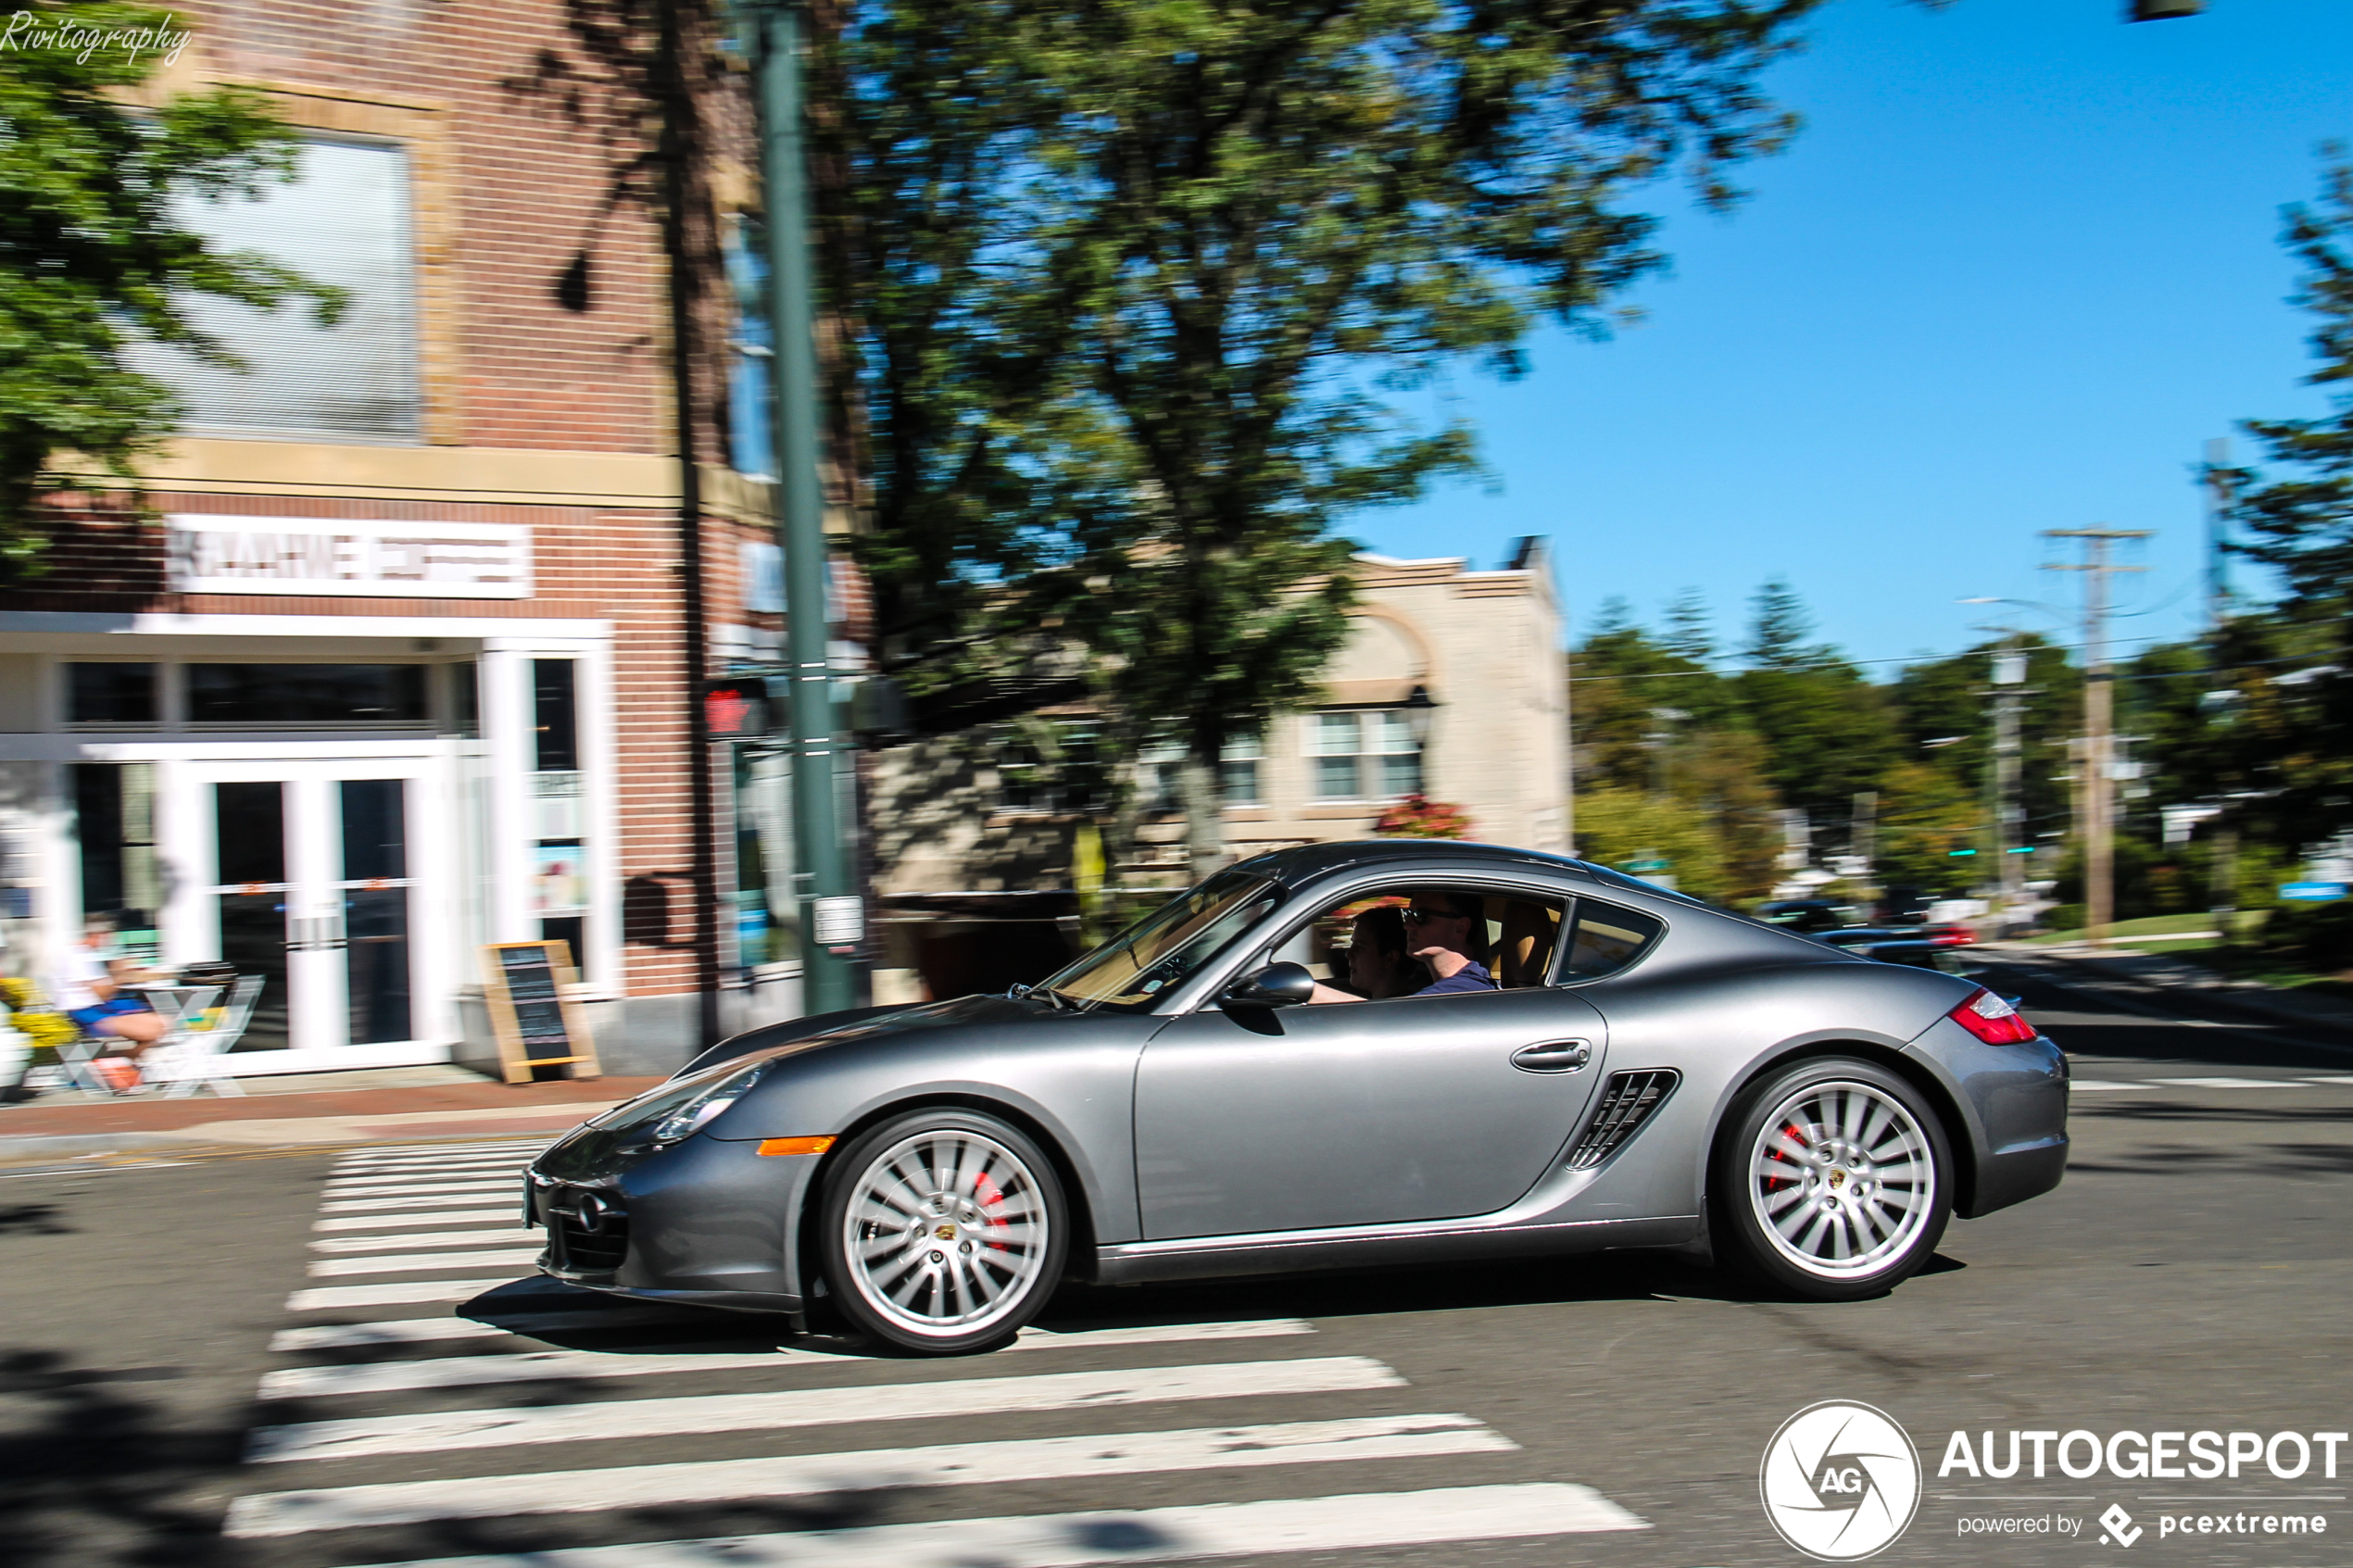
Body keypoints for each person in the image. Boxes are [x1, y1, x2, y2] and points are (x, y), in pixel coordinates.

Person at [1311, 889, 1495, 1002]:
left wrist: (1309, 992)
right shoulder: (1449, 986)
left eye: (1420, 917)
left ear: (1460, 928)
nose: (1408, 925)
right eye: (1408, 915)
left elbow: (1387, 1020)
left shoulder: (1465, 991)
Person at [53, 920, 165, 1090]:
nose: (108, 943)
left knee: (155, 1020)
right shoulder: (79, 957)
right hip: (84, 1012)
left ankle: (122, 1061)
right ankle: (122, 1061)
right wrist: (120, 974)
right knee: (155, 1027)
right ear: (96, 936)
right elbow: (100, 993)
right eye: (106, 938)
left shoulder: (81, 954)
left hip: (95, 1007)